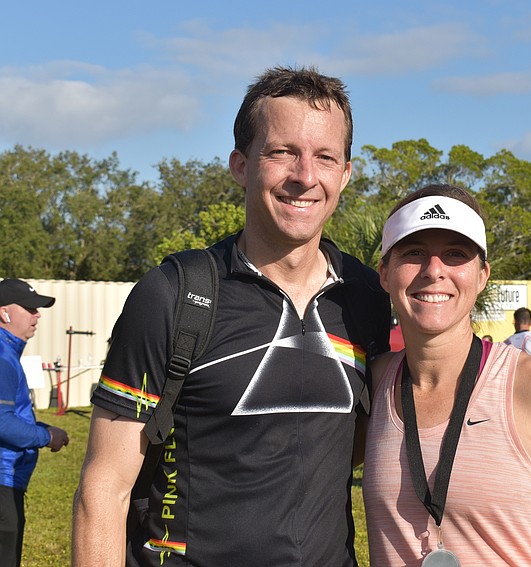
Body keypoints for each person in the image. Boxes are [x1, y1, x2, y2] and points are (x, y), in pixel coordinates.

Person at [72, 66, 391, 566]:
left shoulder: (367, 297)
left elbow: (352, 446)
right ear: (241, 165)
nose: (305, 176)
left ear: (345, 173)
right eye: (282, 151)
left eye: (325, 157)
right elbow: (104, 488)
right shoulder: (173, 294)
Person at [363, 184, 531, 566]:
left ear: (482, 275)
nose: (434, 270)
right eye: (413, 252)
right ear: (384, 273)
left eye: (455, 254)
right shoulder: (375, 383)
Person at [0, 279, 70, 567]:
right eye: (30, 308)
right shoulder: (3, 358)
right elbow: (2, 424)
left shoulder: (8, 354)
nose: (37, 315)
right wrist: (47, 435)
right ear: (3, 313)